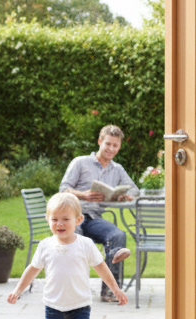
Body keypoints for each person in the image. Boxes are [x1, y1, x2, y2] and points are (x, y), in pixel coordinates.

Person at [8, 191, 128, 319]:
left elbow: (102, 268)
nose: (60, 224)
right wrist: (18, 290)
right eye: (55, 219)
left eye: (65, 219)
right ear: (48, 220)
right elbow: (32, 270)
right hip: (53, 308)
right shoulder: (45, 246)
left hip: (80, 308)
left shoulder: (85, 245)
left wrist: (116, 289)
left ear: (78, 220)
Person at [59, 124, 137, 302]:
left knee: (117, 235)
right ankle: (71, 291)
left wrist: (124, 196)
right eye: (108, 144)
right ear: (100, 142)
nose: (111, 149)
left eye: (115, 146)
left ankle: (110, 291)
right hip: (72, 216)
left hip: (94, 219)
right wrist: (83, 195)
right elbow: (63, 189)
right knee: (73, 241)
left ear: (119, 147)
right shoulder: (80, 162)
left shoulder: (117, 170)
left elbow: (134, 190)